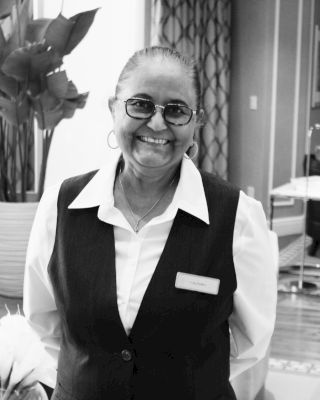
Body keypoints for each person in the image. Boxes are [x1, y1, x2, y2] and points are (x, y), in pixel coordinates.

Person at [23, 46, 277, 400]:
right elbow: (45, 322)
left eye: (176, 110)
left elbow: (251, 341)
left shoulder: (238, 218)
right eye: (140, 104)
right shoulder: (60, 206)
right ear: (114, 108)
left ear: (196, 123)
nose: (157, 124)